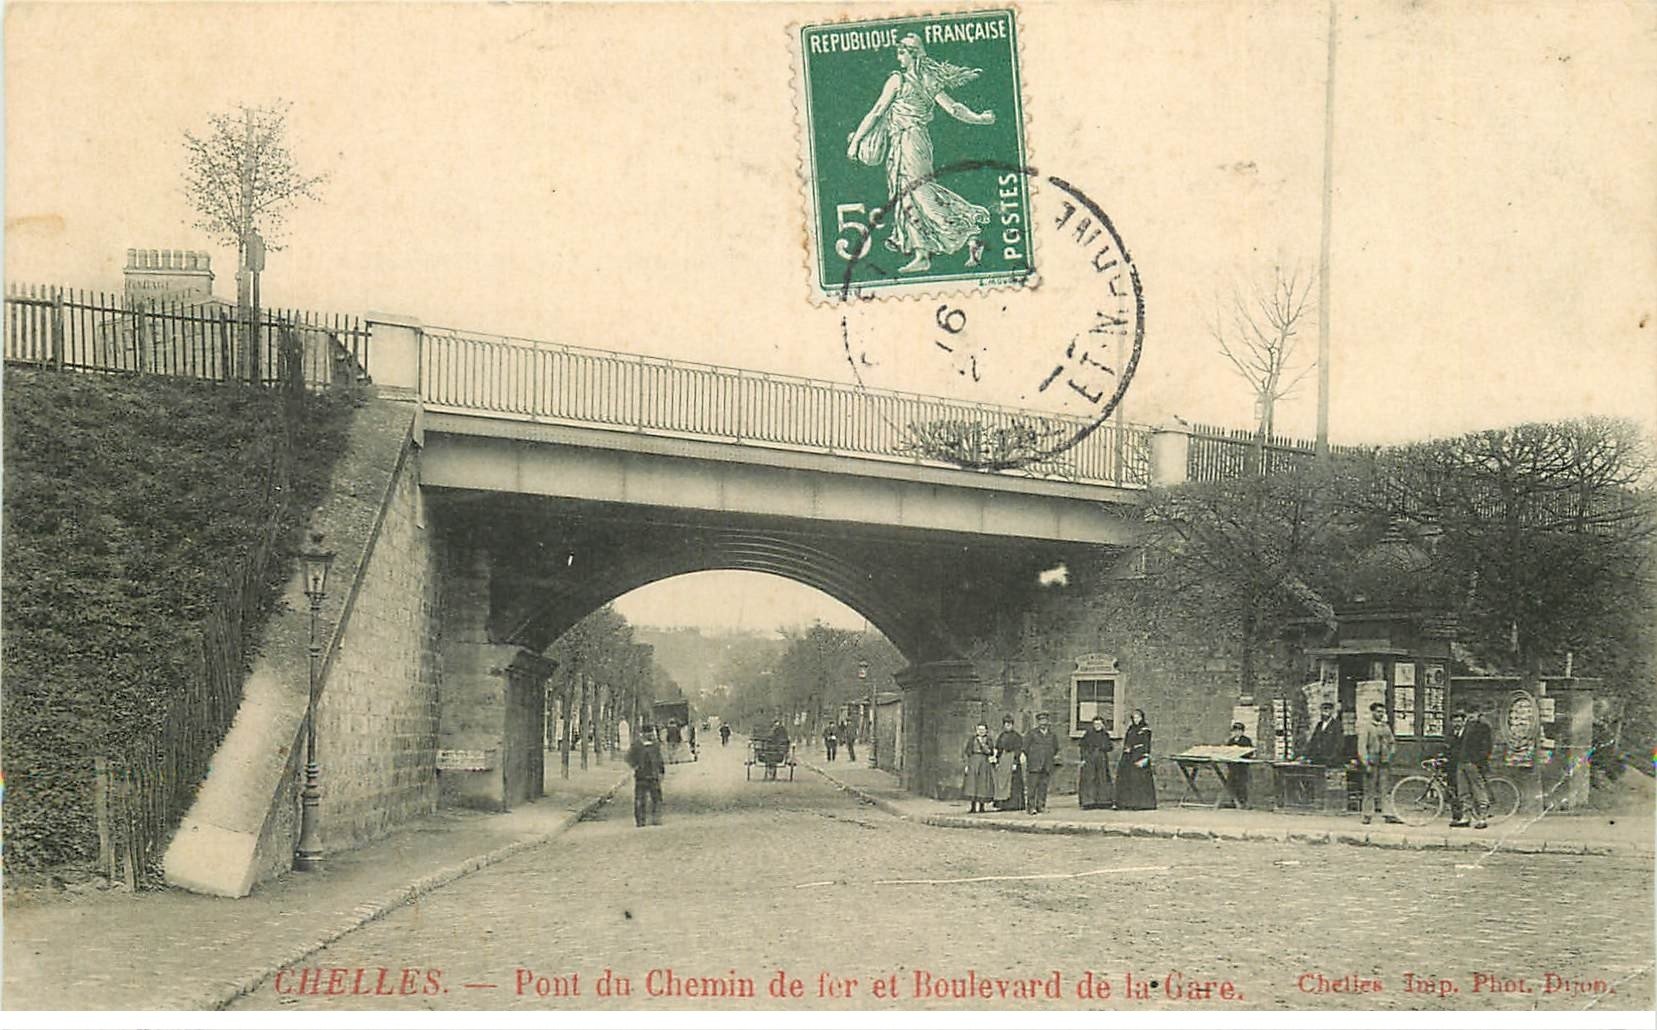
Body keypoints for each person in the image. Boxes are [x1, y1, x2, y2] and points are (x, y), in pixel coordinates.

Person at [844, 34, 996, 274]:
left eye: (901, 52)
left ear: (912, 54)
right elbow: (954, 109)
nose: (899, 58)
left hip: (908, 142)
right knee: (910, 194)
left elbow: (876, 112)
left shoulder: (898, 80)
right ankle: (924, 252)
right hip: (917, 142)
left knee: (918, 193)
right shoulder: (929, 80)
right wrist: (979, 118)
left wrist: (855, 142)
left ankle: (966, 230)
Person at [1447, 703, 1494, 829]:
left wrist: (1478, 761)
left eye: (1473, 714)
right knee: (1463, 792)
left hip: (1473, 763)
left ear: (1479, 714)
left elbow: (1487, 746)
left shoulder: (1483, 726)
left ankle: (1482, 818)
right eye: (1469, 715)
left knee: (1478, 790)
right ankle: (1466, 817)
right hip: (1461, 762)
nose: (1471, 717)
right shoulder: (1464, 727)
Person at [1357, 701, 1404, 825]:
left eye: (1382, 712)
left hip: (1384, 762)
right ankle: (1367, 815)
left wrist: (1390, 753)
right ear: (1372, 712)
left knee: (1385, 789)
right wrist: (1365, 762)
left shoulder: (1385, 727)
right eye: (1378, 712)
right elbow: (1362, 747)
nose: (1381, 714)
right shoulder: (1367, 727)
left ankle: (1388, 814)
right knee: (1369, 790)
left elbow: (1392, 742)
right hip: (1371, 761)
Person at [1115, 709, 1157, 810]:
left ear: (1142, 718)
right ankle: (1126, 803)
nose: (1136, 719)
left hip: (1139, 755)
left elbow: (1146, 744)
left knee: (1139, 779)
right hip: (1128, 757)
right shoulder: (1131, 729)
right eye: (1134, 718)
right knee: (1126, 778)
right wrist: (1127, 748)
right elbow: (1127, 741)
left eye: (1138, 717)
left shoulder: (1145, 730)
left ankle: (1141, 803)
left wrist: (1144, 756)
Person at [625, 723, 666, 827]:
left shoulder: (655, 745)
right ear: (642, 734)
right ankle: (640, 820)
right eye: (647, 733)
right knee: (640, 799)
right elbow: (628, 758)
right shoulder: (637, 745)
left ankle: (656, 819)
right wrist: (635, 766)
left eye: (651, 732)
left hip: (653, 775)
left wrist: (661, 771)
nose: (650, 735)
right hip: (641, 776)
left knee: (656, 798)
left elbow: (659, 759)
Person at [1023, 711, 1061, 814]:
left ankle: (1041, 806)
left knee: (1043, 787)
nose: (1043, 723)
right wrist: (1033, 758)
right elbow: (1025, 748)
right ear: (1038, 722)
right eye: (1041, 720)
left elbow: (1056, 748)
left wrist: (1050, 758)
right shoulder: (1032, 733)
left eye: (1045, 720)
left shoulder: (1052, 735)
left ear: (1048, 722)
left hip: (1047, 765)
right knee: (1032, 787)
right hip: (1034, 765)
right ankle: (1031, 807)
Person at [1076, 715, 1114, 810]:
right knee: (1089, 779)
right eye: (1096, 724)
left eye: (1099, 724)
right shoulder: (1088, 734)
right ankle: (1088, 801)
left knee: (1102, 778)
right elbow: (1082, 747)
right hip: (1090, 758)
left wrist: (1103, 748)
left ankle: (1103, 801)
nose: (1097, 726)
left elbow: (1110, 747)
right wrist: (1083, 758)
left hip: (1101, 759)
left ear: (1102, 725)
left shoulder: (1105, 735)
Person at [992, 715, 1025, 812]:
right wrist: (996, 760)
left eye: (1009, 724)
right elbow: (998, 749)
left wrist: (1015, 762)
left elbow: (1018, 750)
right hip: (1003, 761)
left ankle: (1014, 804)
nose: (1008, 726)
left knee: (1014, 783)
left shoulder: (1017, 736)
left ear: (1012, 725)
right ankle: (1003, 804)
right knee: (1002, 783)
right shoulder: (1001, 736)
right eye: (1006, 724)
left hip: (1012, 760)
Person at [962, 722, 996, 813]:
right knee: (973, 784)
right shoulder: (972, 739)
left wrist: (983, 745)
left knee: (982, 784)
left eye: (983, 730)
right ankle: (973, 806)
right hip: (973, 762)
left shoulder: (988, 739)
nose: (981, 731)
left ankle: (982, 806)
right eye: (979, 729)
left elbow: (991, 752)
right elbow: (967, 751)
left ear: (986, 731)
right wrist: (967, 764)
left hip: (984, 762)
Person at [1223, 721, 1256, 808]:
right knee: (1232, 783)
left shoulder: (1246, 740)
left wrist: (1241, 753)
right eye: (1235, 731)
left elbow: (1250, 752)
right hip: (1233, 766)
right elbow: (1227, 751)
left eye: (1238, 730)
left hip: (1242, 766)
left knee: (1242, 783)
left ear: (1242, 731)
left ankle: (1243, 801)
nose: (1237, 732)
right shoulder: (1231, 741)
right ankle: (1234, 801)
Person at [1305, 701, 1345, 767]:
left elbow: (1339, 744)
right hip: (1318, 760)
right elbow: (1313, 741)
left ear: (1331, 711)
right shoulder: (1319, 725)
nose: (1324, 712)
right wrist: (1307, 756)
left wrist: (1332, 758)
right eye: (1323, 710)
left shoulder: (1336, 725)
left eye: (1327, 709)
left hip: (1330, 761)